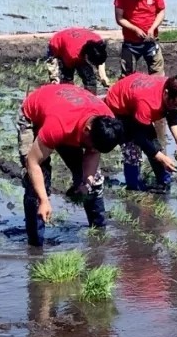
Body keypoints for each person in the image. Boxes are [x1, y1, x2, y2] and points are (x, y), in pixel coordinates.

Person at [17, 84, 127, 245]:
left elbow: (93, 152)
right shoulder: (58, 125)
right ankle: (35, 245)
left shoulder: (106, 121)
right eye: (91, 145)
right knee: (36, 186)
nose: (92, 150)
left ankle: (99, 235)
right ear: (88, 130)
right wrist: (44, 200)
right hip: (34, 116)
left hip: (70, 119)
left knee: (93, 182)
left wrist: (86, 182)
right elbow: (33, 162)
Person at [104, 71, 177, 192]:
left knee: (153, 144)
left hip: (136, 102)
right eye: (176, 104)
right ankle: (133, 186)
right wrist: (161, 157)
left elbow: (173, 116)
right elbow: (140, 137)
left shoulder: (173, 87)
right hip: (118, 108)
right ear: (166, 93)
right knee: (132, 149)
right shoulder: (147, 103)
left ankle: (164, 180)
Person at [114, 0, 166, 77]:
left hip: (151, 41)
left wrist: (152, 28)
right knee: (127, 75)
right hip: (131, 42)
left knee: (157, 75)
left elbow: (161, 11)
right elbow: (119, 18)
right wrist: (135, 29)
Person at [46, 27, 111, 93]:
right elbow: (69, 71)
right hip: (57, 43)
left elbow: (99, 59)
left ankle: (91, 97)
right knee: (65, 79)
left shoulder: (98, 42)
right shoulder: (73, 55)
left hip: (74, 40)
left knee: (90, 79)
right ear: (86, 57)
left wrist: (103, 76)